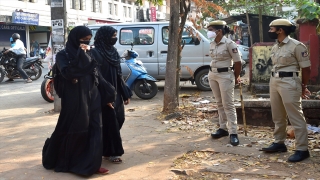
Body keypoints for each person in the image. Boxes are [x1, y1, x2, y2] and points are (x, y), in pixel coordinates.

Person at [42, 26, 116, 176]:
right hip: (74, 99)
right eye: (83, 39)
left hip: (93, 96)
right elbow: (69, 73)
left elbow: (97, 76)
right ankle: (71, 162)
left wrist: (108, 96)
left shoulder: (90, 53)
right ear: (75, 38)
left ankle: (92, 164)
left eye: (89, 39)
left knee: (96, 130)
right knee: (77, 129)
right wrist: (80, 54)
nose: (86, 42)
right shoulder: (63, 55)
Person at [260, 19, 311, 162]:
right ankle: (279, 142)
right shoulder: (276, 46)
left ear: (280, 30)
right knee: (278, 114)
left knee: (295, 116)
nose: (270, 31)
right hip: (274, 81)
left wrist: (303, 86)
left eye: (272, 29)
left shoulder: (297, 46)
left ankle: (302, 149)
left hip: (290, 82)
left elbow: (306, 69)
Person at [91, 26, 133, 163]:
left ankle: (106, 148)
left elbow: (119, 73)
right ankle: (114, 152)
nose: (114, 38)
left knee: (120, 118)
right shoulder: (95, 53)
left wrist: (125, 92)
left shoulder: (113, 52)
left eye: (115, 35)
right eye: (113, 35)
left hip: (116, 92)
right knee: (111, 123)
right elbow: (96, 77)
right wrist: (105, 96)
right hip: (103, 92)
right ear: (104, 36)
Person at [206, 20, 242, 146]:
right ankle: (223, 128)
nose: (208, 32)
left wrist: (235, 77)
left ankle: (233, 132)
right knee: (219, 103)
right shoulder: (212, 43)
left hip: (225, 75)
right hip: (213, 74)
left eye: (210, 29)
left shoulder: (229, 44)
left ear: (219, 31)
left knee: (228, 104)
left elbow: (238, 63)